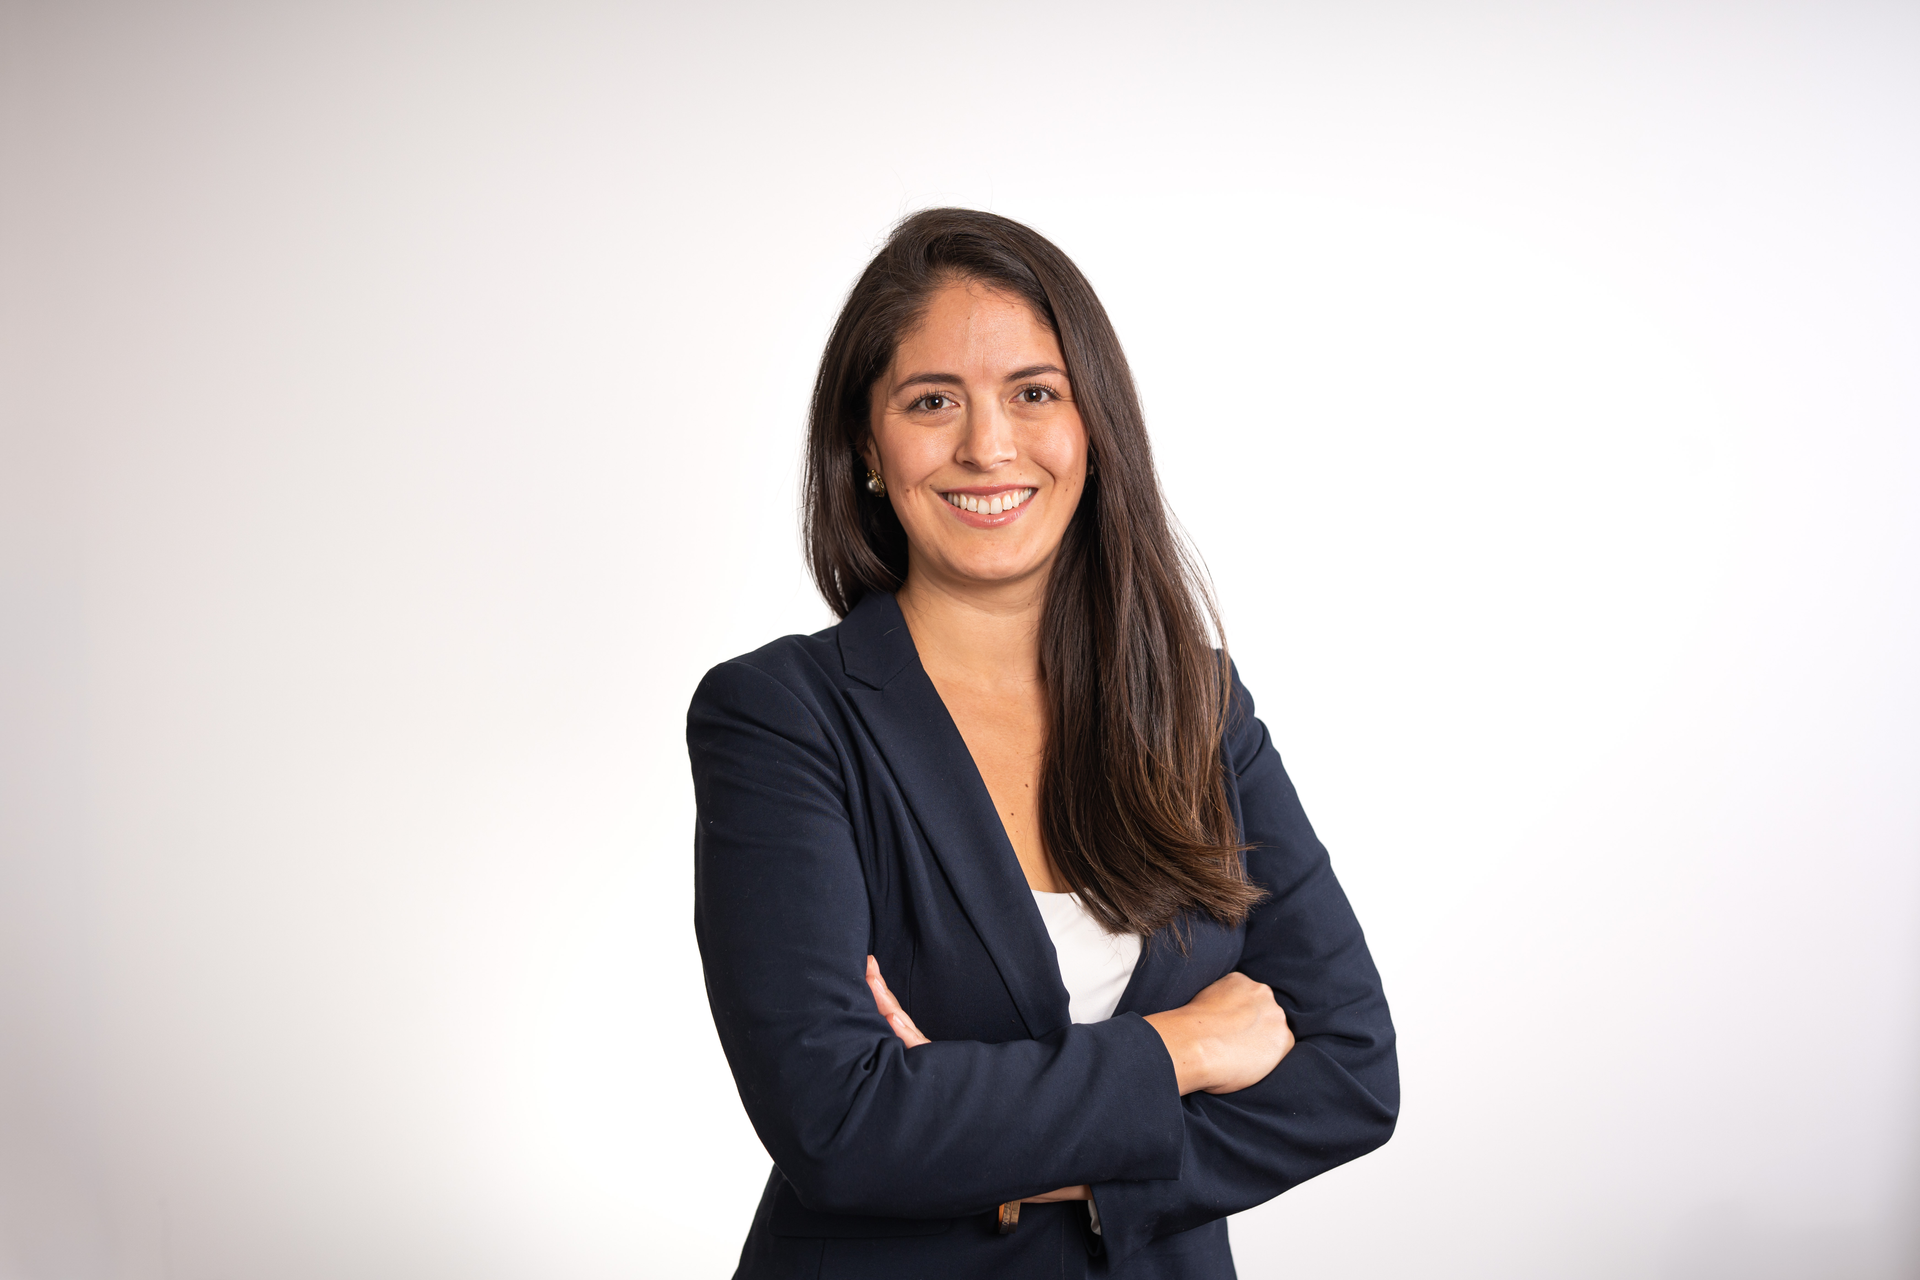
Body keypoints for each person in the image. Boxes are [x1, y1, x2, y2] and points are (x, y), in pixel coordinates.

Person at [688, 208, 1397, 1278]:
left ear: (1092, 428)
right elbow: (840, 1120)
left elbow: (1349, 1069)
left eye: (1034, 392)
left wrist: (1022, 1154)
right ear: (868, 449)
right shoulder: (783, 716)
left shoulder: (1195, 703)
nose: (988, 445)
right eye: (933, 401)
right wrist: (1183, 1048)